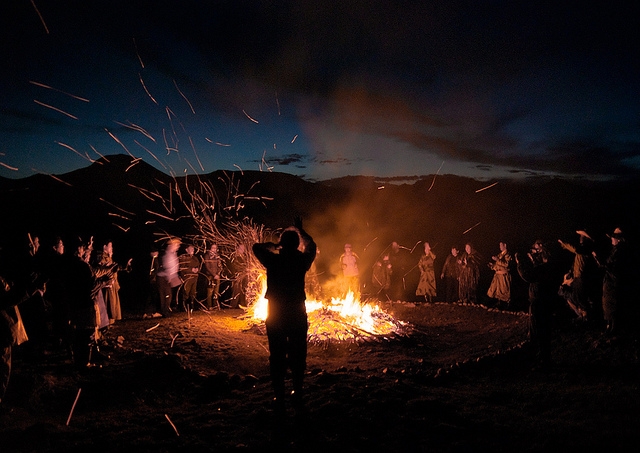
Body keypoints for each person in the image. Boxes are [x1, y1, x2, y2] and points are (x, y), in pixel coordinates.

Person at [252, 217, 316, 416]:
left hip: (277, 312)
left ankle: (279, 396)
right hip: (297, 312)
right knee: (298, 354)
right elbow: (312, 245)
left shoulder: (274, 260)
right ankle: (297, 392)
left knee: (277, 355)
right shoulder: (301, 261)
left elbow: (256, 247)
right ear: (297, 244)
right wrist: (300, 231)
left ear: (282, 244)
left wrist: (274, 245)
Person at [516, 240, 559, 369]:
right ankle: (544, 359)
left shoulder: (545, 268)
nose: (536, 253)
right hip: (546, 302)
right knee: (544, 332)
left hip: (540, 303)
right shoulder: (550, 266)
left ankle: (542, 361)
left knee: (539, 332)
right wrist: (533, 259)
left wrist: (519, 263)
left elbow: (527, 275)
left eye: (538, 252)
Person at [593, 228, 631, 335]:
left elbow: (610, 266)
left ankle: (613, 328)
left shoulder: (619, 251)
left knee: (611, 304)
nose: (611, 239)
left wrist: (597, 257)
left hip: (613, 281)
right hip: (610, 281)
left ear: (618, 239)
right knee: (607, 303)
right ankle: (610, 326)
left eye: (613, 237)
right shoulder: (616, 249)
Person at [557, 230, 599, 322]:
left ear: (586, 239)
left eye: (582, 236)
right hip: (578, 276)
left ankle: (587, 317)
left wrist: (564, 243)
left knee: (579, 298)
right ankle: (584, 316)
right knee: (576, 297)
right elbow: (576, 262)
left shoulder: (586, 248)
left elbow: (575, 249)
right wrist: (570, 272)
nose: (580, 238)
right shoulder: (583, 249)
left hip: (582, 277)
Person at [98, 241, 132, 324]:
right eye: (110, 246)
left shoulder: (109, 257)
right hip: (107, 284)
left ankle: (110, 320)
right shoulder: (102, 257)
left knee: (112, 303)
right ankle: (106, 322)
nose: (111, 248)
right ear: (104, 247)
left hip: (112, 283)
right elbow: (105, 269)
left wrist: (125, 267)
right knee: (108, 303)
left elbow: (114, 267)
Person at [156, 238, 182, 317]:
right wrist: (170, 276)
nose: (178, 246)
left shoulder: (173, 254)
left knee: (168, 294)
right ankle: (164, 311)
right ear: (172, 245)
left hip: (169, 276)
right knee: (165, 294)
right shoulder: (167, 254)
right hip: (163, 277)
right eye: (177, 245)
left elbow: (174, 266)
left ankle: (166, 310)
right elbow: (167, 265)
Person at [487, 241, 512, 309]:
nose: (500, 247)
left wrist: (497, 260)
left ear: (505, 245)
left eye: (501, 245)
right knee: (496, 290)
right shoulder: (500, 254)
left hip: (503, 276)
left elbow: (506, 264)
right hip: (498, 276)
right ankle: (499, 303)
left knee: (504, 291)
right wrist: (492, 266)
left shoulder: (508, 254)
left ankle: (505, 305)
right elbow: (498, 265)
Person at [179, 244, 201, 311]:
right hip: (187, 277)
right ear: (186, 250)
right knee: (186, 292)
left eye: (193, 249)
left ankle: (192, 306)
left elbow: (199, 266)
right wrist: (191, 270)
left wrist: (197, 269)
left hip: (194, 277)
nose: (193, 250)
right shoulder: (183, 257)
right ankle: (183, 307)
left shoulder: (195, 258)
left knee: (193, 292)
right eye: (191, 249)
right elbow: (182, 267)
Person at [202, 243, 222, 310]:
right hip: (210, 276)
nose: (214, 249)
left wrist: (218, 274)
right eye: (213, 248)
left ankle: (215, 305)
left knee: (216, 291)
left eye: (215, 248)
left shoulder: (217, 256)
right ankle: (209, 305)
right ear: (210, 248)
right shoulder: (207, 256)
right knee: (210, 291)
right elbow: (207, 267)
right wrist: (214, 275)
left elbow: (220, 266)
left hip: (217, 276)